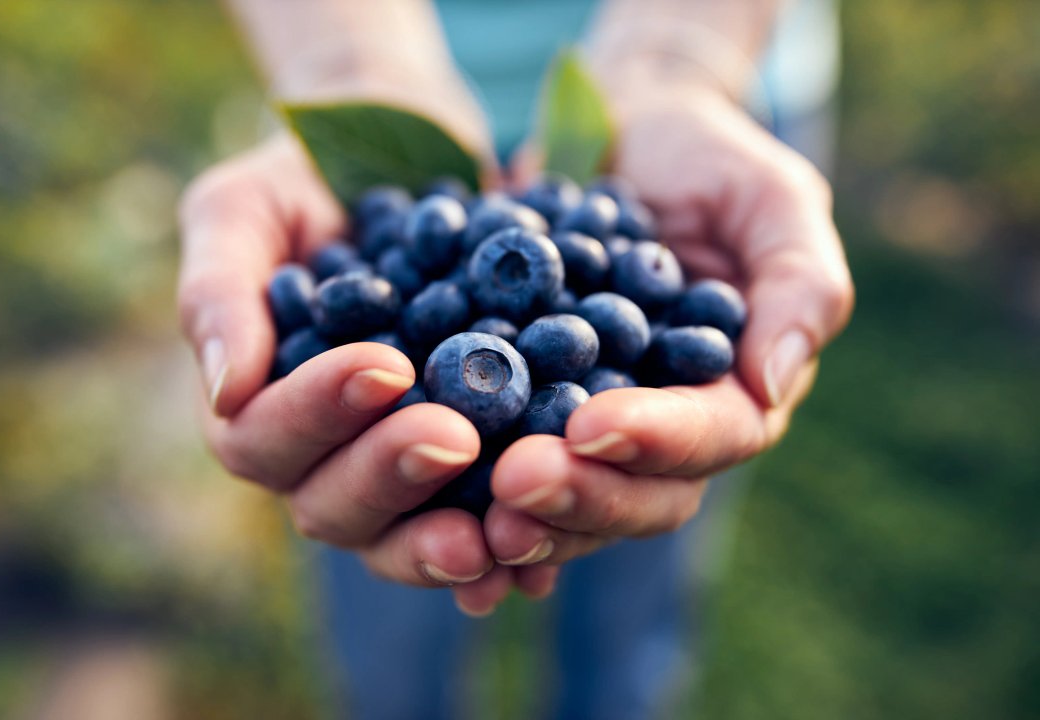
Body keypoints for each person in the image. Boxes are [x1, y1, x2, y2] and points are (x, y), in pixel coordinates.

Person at [176, 1, 854, 717]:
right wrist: (347, 67)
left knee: (633, 537)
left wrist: (677, 59)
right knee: (393, 565)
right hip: (363, 62)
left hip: (715, 87)